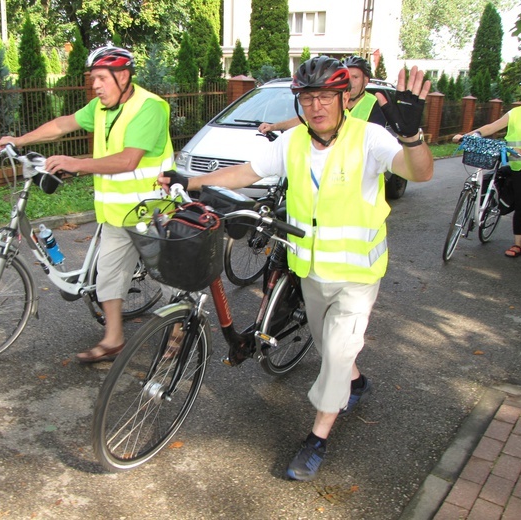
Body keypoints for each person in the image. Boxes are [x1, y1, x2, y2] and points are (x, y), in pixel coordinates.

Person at [159, 56, 434, 481]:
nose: (316, 106)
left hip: (359, 273)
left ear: (344, 97)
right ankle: (356, 384)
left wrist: (412, 136)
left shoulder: (371, 137)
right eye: (307, 98)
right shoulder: (293, 143)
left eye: (325, 96)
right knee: (329, 345)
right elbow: (248, 171)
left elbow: (421, 172)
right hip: (311, 268)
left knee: (339, 350)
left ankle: (317, 438)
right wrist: (189, 180)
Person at [0, 46, 174, 363]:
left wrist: (76, 163)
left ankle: (180, 331)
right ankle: (113, 339)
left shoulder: (149, 107)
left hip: (151, 211)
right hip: (117, 213)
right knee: (108, 276)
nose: (96, 86)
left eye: (102, 78)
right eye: (94, 79)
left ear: (122, 77)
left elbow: (128, 160)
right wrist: (18, 140)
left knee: (168, 275)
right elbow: (63, 124)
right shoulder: (102, 108)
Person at [453, 75, 521, 258]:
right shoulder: (515, 113)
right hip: (518, 167)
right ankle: (517, 244)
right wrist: (469, 135)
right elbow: (491, 127)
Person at [258, 54, 386, 134]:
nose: (350, 82)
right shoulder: (332, 100)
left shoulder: (375, 105)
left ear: (366, 80)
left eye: (355, 77)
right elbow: (304, 119)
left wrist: (406, 140)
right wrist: (273, 126)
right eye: (347, 77)